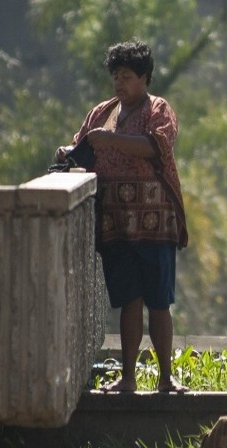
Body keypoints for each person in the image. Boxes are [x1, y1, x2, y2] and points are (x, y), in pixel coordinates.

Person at [55, 39, 189, 393]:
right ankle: (128, 378)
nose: (119, 84)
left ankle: (165, 378)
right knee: (129, 300)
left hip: (155, 220)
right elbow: (84, 148)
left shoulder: (159, 109)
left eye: (127, 76)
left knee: (159, 302)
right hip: (116, 222)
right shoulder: (101, 113)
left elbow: (156, 146)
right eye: (116, 76)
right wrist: (68, 154)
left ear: (144, 78)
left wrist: (111, 140)